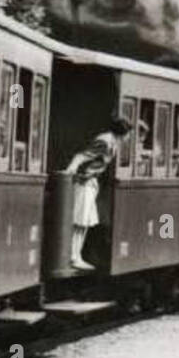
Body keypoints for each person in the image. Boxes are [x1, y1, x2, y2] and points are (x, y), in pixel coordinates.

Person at [64, 116, 133, 270]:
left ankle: (76, 255)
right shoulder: (105, 141)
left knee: (84, 222)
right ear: (123, 132)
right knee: (80, 221)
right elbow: (82, 156)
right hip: (84, 183)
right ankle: (73, 256)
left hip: (90, 182)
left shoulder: (112, 142)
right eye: (128, 134)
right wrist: (70, 170)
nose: (129, 138)